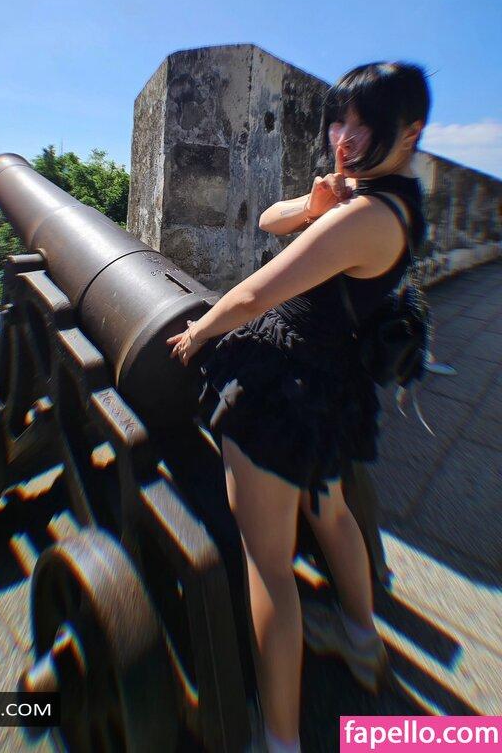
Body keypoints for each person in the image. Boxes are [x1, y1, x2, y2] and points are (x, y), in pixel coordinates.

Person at [167, 61, 429, 753]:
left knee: (268, 565)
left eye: (364, 125)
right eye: (339, 121)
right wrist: (316, 202)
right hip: (331, 387)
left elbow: (256, 293)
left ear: (409, 132)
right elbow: (269, 219)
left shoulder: (367, 215)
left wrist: (198, 332)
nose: (344, 138)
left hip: (286, 389)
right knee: (331, 511)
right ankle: (360, 639)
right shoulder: (391, 200)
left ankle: (280, 738)